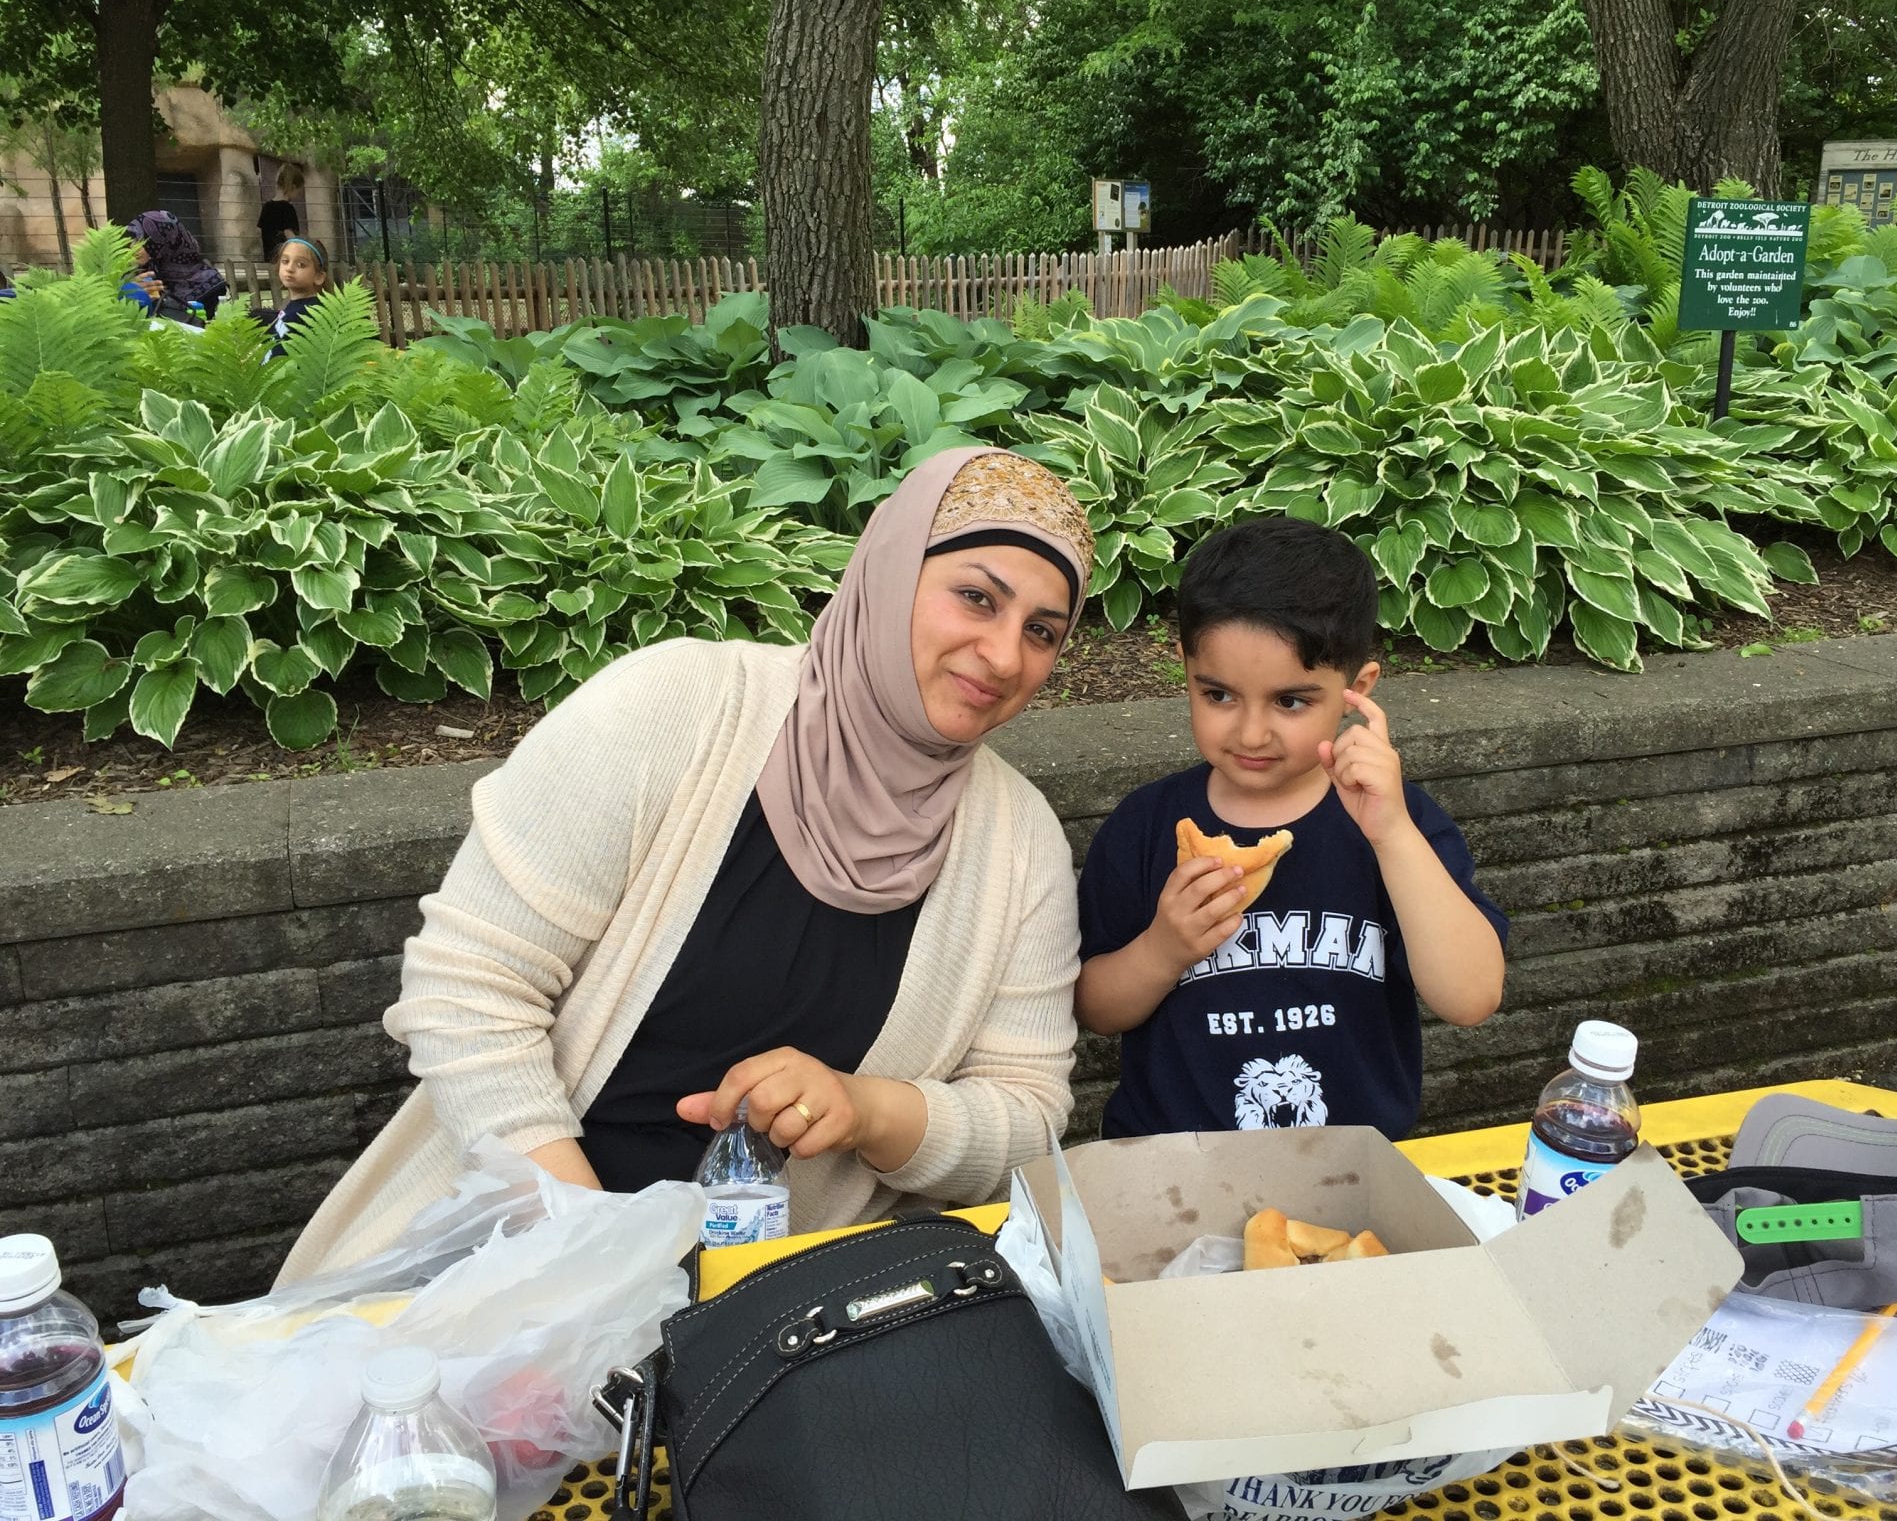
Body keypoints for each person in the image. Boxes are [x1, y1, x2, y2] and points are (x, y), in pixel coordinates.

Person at [278, 446, 1094, 1282]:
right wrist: (595, 1257)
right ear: (888, 576)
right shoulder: (676, 707)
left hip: (780, 1309)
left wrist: (867, 1110)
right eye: (976, 598)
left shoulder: (1018, 843)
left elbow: (1027, 1119)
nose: (1004, 656)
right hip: (505, 1262)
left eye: (1041, 631)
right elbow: (468, 986)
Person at [1074, 516, 1507, 1140]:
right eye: (1218, 695)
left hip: (1350, 1167)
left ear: (1356, 690)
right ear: (1186, 669)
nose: (1251, 733)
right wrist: (1162, 951)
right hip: (1170, 1165)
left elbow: (1471, 998)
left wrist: (1393, 837)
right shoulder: (1145, 826)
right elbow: (1094, 1009)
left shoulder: (1397, 826)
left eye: (1291, 701)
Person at [124, 210, 226, 319]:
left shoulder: (210, 283)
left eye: (142, 242)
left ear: (162, 242)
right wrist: (130, 293)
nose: (133, 247)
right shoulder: (142, 276)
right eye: (133, 240)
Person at [257, 236, 330, 357]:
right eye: (285, 261)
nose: (290, 268)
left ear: (319, 277)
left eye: (301, 264)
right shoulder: (293, 307)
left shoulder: (312, 313)